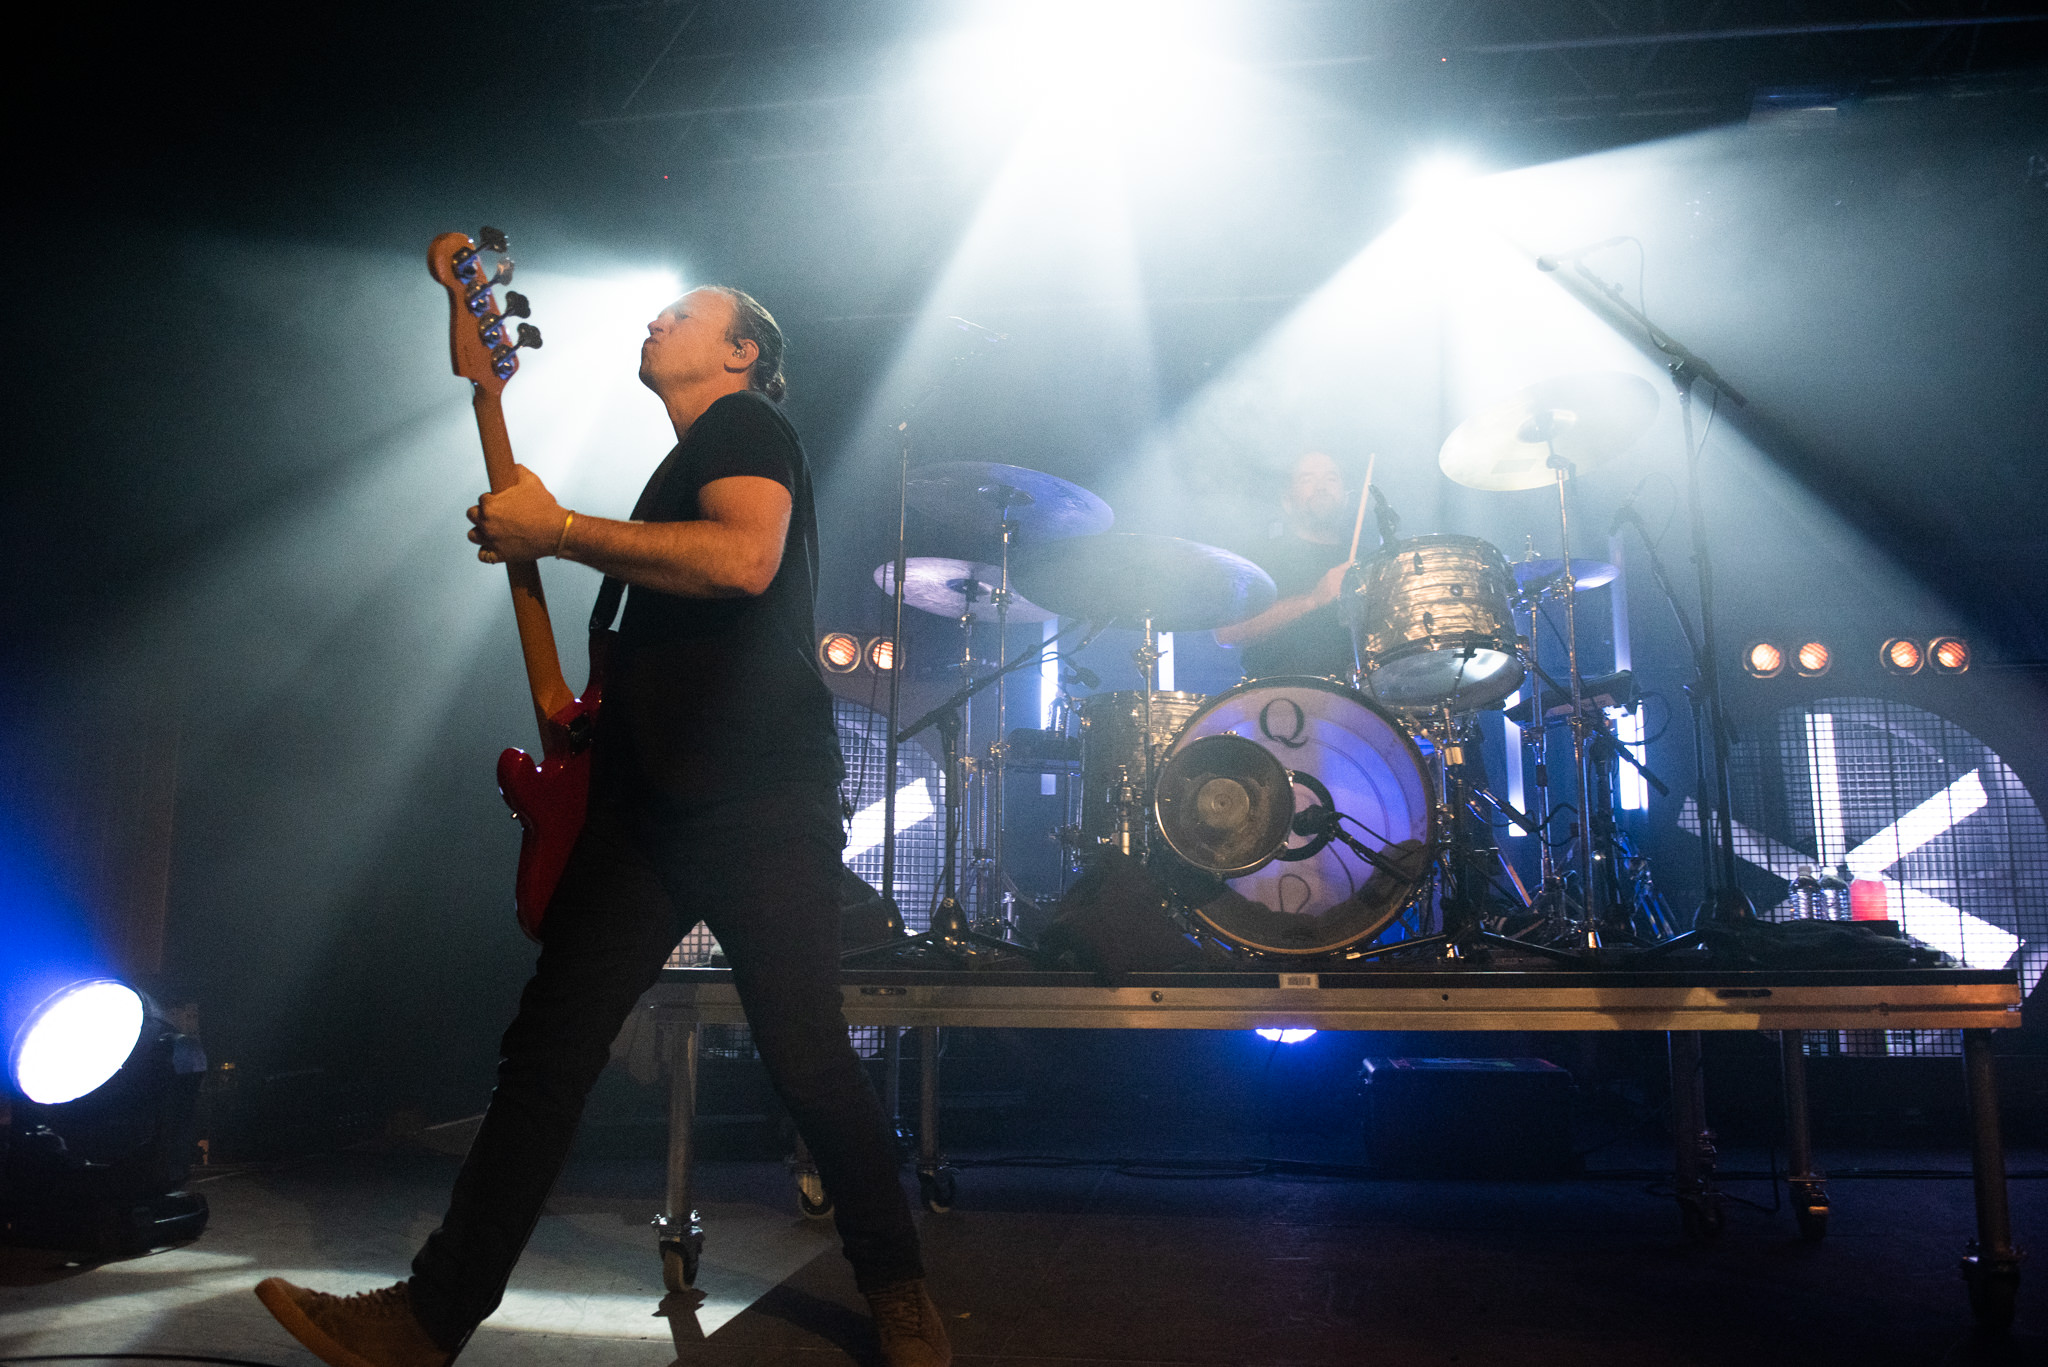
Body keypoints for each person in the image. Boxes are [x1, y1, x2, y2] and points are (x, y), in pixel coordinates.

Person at [252, 288, 950, 1367]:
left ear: (742, 351)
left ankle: (898, 1289)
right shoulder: (682, 458)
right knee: (543, 1057)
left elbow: (745, 559)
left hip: (756, 794)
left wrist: (560, 529)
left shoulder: (744, 425)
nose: (652, 322)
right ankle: (429, 1320)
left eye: (681, 314)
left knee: (806, 1051)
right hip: (641, 802)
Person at [1213, 450, 1363, 680]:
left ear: (1346, 498)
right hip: (1277, 699)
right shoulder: (1261, 558)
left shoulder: (1365, 558)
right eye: (1307, 479)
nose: (1321, 487)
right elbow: (1227, 633)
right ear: (1287, 501)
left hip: (1356, 702)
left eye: (1331, 478)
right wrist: (1313, 600)